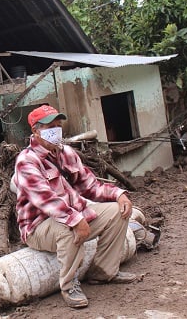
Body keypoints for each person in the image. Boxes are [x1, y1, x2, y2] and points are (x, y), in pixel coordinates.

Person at [10, 104, 139, 309]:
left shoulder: (66, 153)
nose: (55, 130)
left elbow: (90, 186)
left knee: (116, 212)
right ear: (35, 130)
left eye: (58, 125)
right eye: (49, 126)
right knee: (69, 228)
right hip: (38, 226)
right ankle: (69, 285)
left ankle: (104, 272)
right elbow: (47, 201)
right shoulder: (26, 161)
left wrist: (119, 194)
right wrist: (76, 220)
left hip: (71, 215)